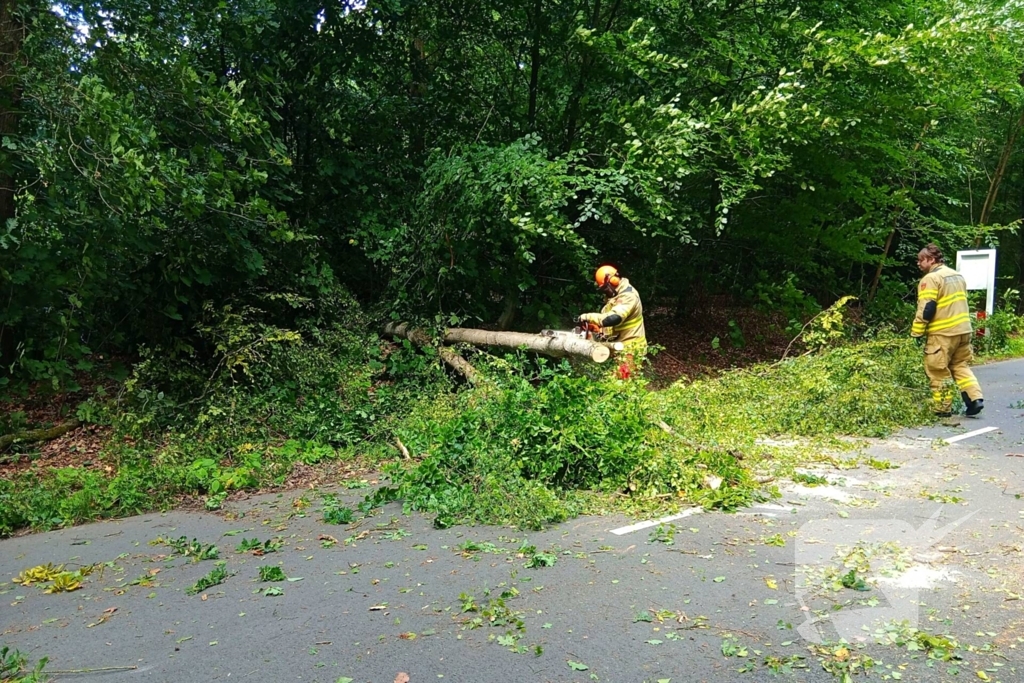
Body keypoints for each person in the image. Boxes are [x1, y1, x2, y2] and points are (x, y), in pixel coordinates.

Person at [911, 244, 984, 417]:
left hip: (942, 333)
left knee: (937, 369)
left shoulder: (930, 279)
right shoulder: (957, 275)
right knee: (960, 365)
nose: (918, 264)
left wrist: (916, 332)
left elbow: (927, 308)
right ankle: (975, 399)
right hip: (964, 330)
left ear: (931, 260)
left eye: (921, 260)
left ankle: (942, 408)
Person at [576, 265, 646, 379]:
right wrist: (597, 328)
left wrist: (587, 317)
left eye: (605, 287)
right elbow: (610, 322)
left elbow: (614, 318)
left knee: (622, 384)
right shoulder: (615, 296)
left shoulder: (629, 296)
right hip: (617, 346)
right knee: (610, 380)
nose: (605, 291)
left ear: (614, 280)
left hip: (632, 348)